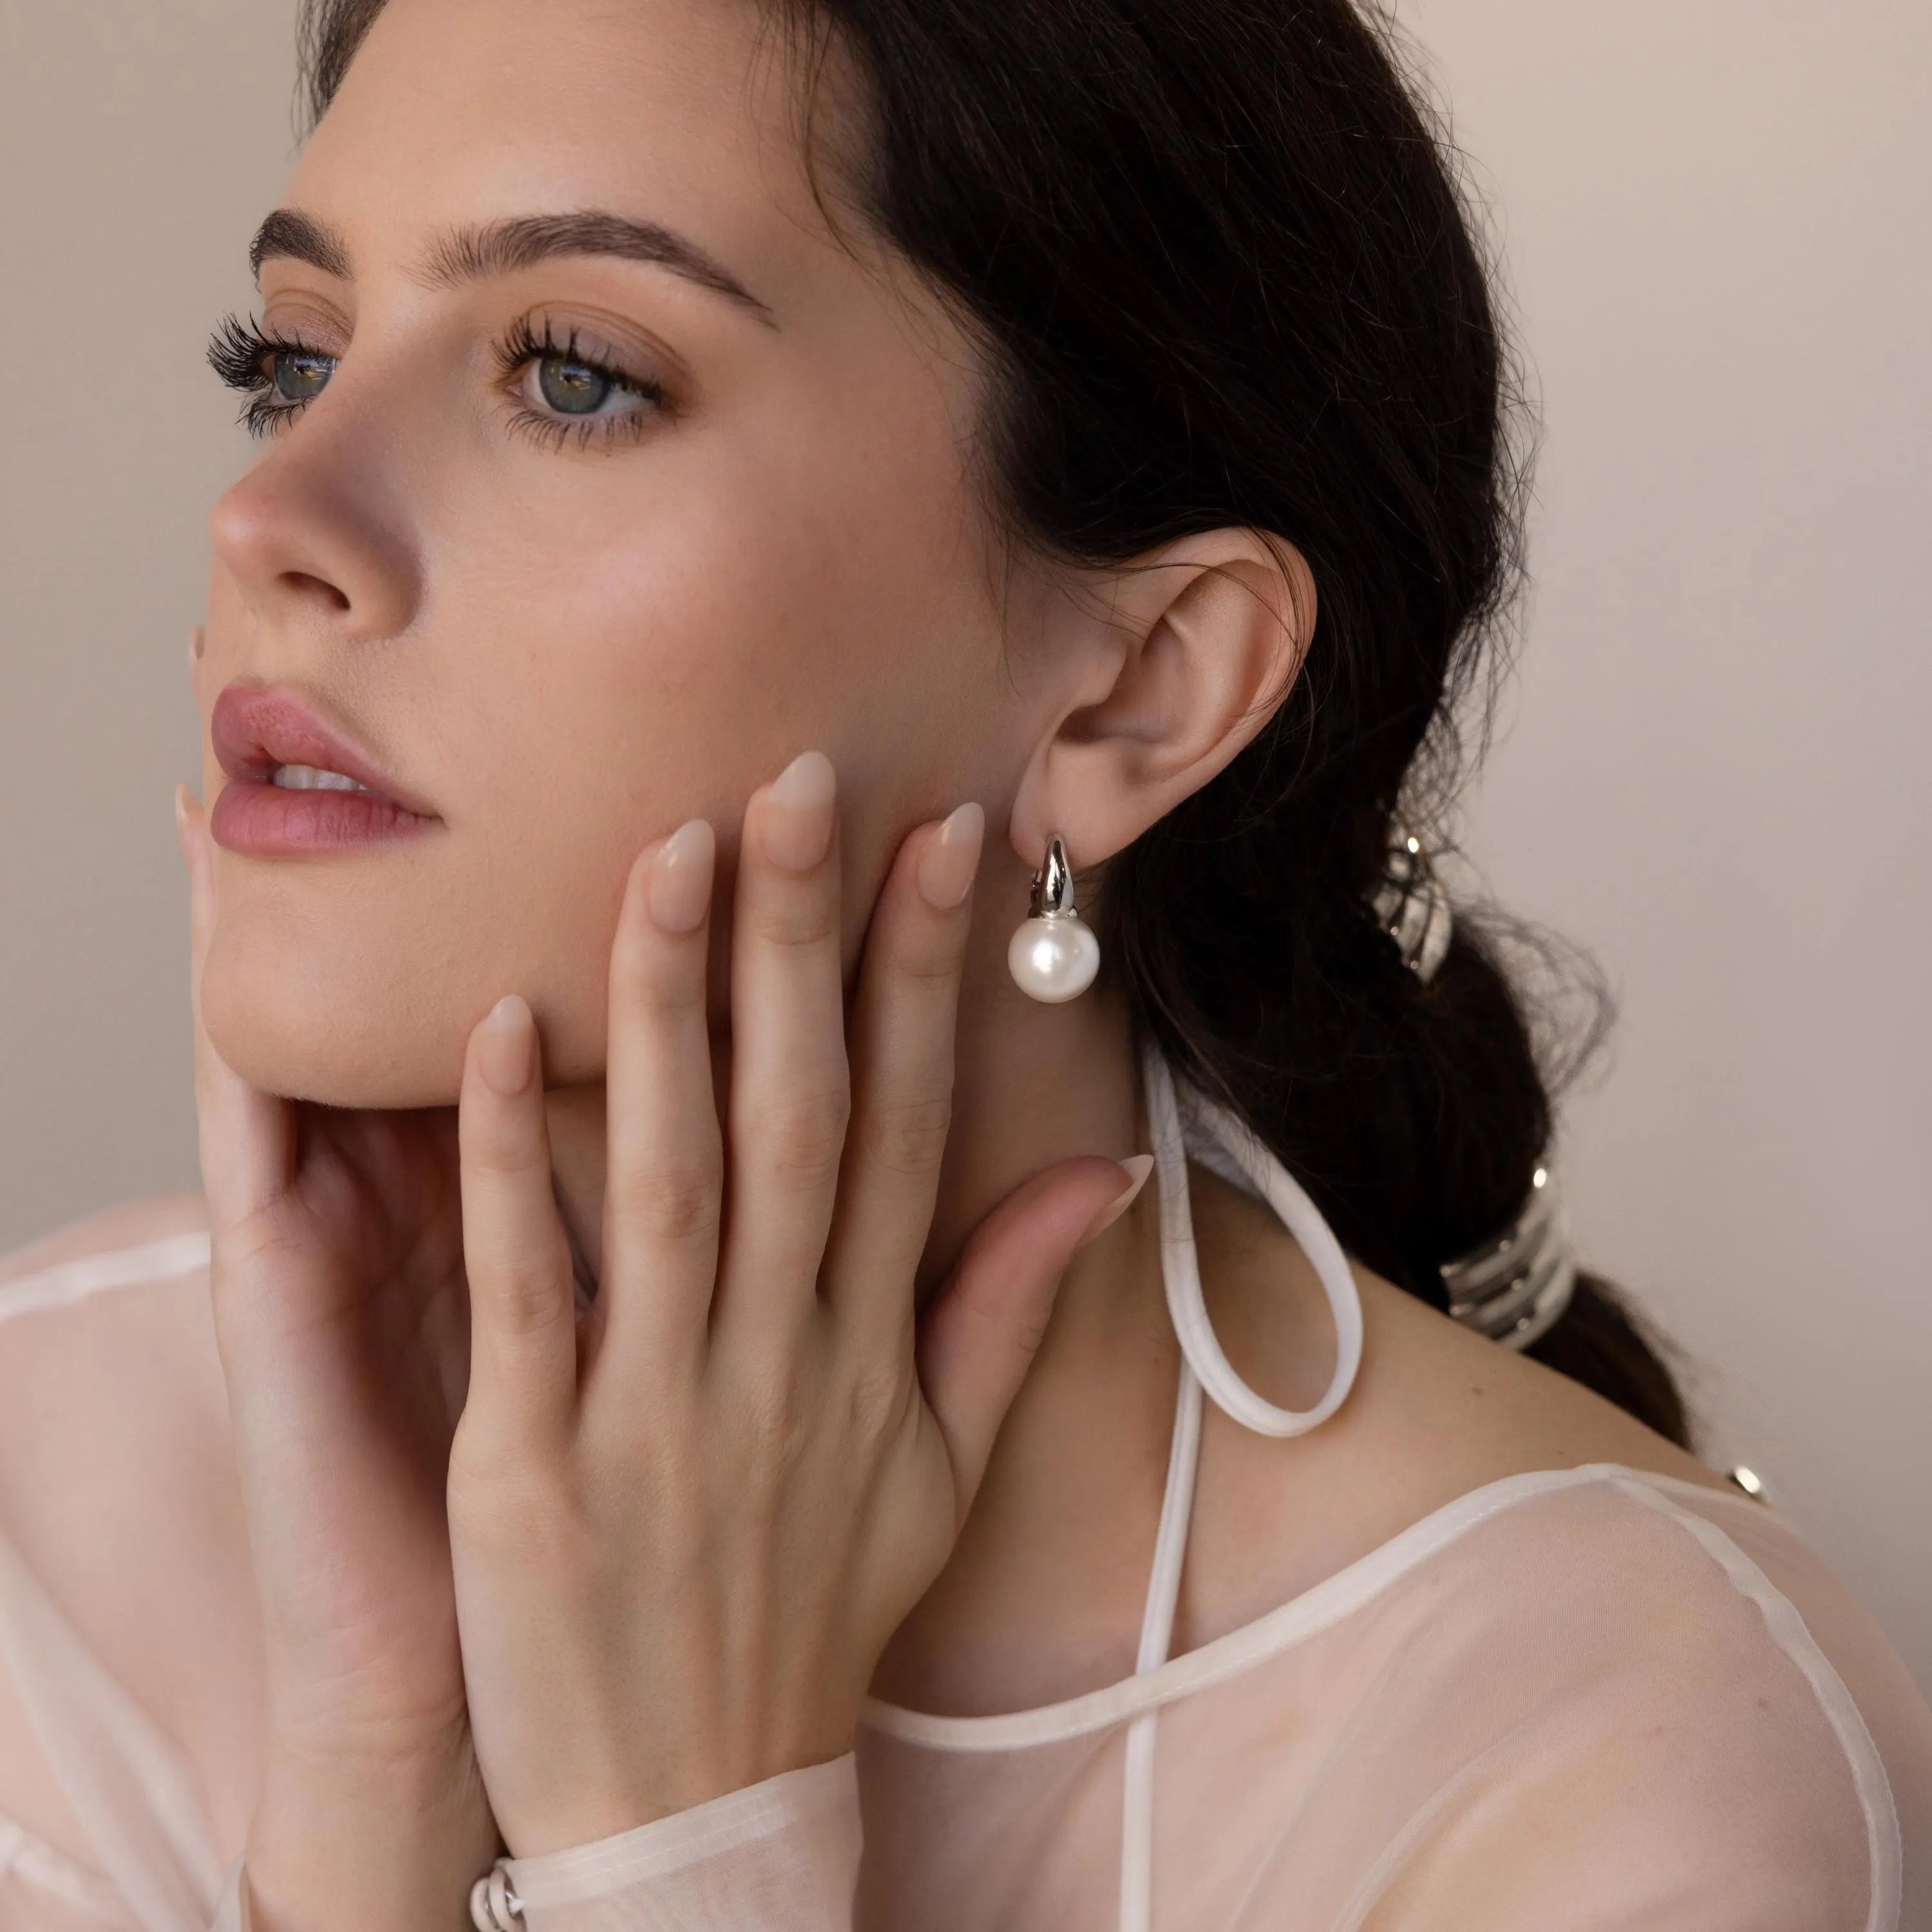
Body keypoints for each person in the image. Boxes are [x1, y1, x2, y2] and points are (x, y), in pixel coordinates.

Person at [1, 0, 1926, 1926]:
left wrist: (678, 1845)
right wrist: (377, 1775)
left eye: (574, 374)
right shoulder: (54, 1488)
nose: (271, 520)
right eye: (292, 360)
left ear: (1143, 686)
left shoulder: (1616, 1750)